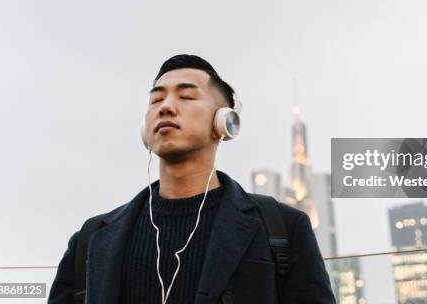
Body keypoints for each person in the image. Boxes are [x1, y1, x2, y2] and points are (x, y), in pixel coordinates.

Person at [48, 54, 336, 303]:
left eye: (186, 96)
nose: (166, 107)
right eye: (156, 99)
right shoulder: (91, 240)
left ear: (224, 122)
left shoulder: (282, 228)